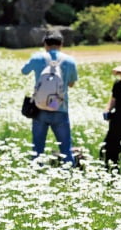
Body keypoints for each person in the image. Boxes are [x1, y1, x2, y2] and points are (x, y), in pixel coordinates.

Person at [21, 30, 78, 165]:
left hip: (40, 108)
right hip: (59, 108)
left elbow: (24, 71)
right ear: (61, 44)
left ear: (45, 43)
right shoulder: (69, 61)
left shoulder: (38, 58)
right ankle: (68, 173)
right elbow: (71, 84)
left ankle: (36, 173)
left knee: (37, 148)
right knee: (65, 148)